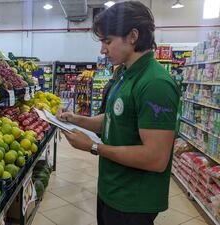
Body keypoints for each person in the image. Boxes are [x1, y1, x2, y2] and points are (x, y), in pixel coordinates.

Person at [57, 1, 180, 225]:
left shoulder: (156, 84)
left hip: (133, 201)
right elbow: (114, 119)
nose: (102, 49)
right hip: (112, 190)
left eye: (108, 41)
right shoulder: (125, 74)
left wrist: (93, 147)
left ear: (133, 36)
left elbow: (156, 158)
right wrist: (77, 119)